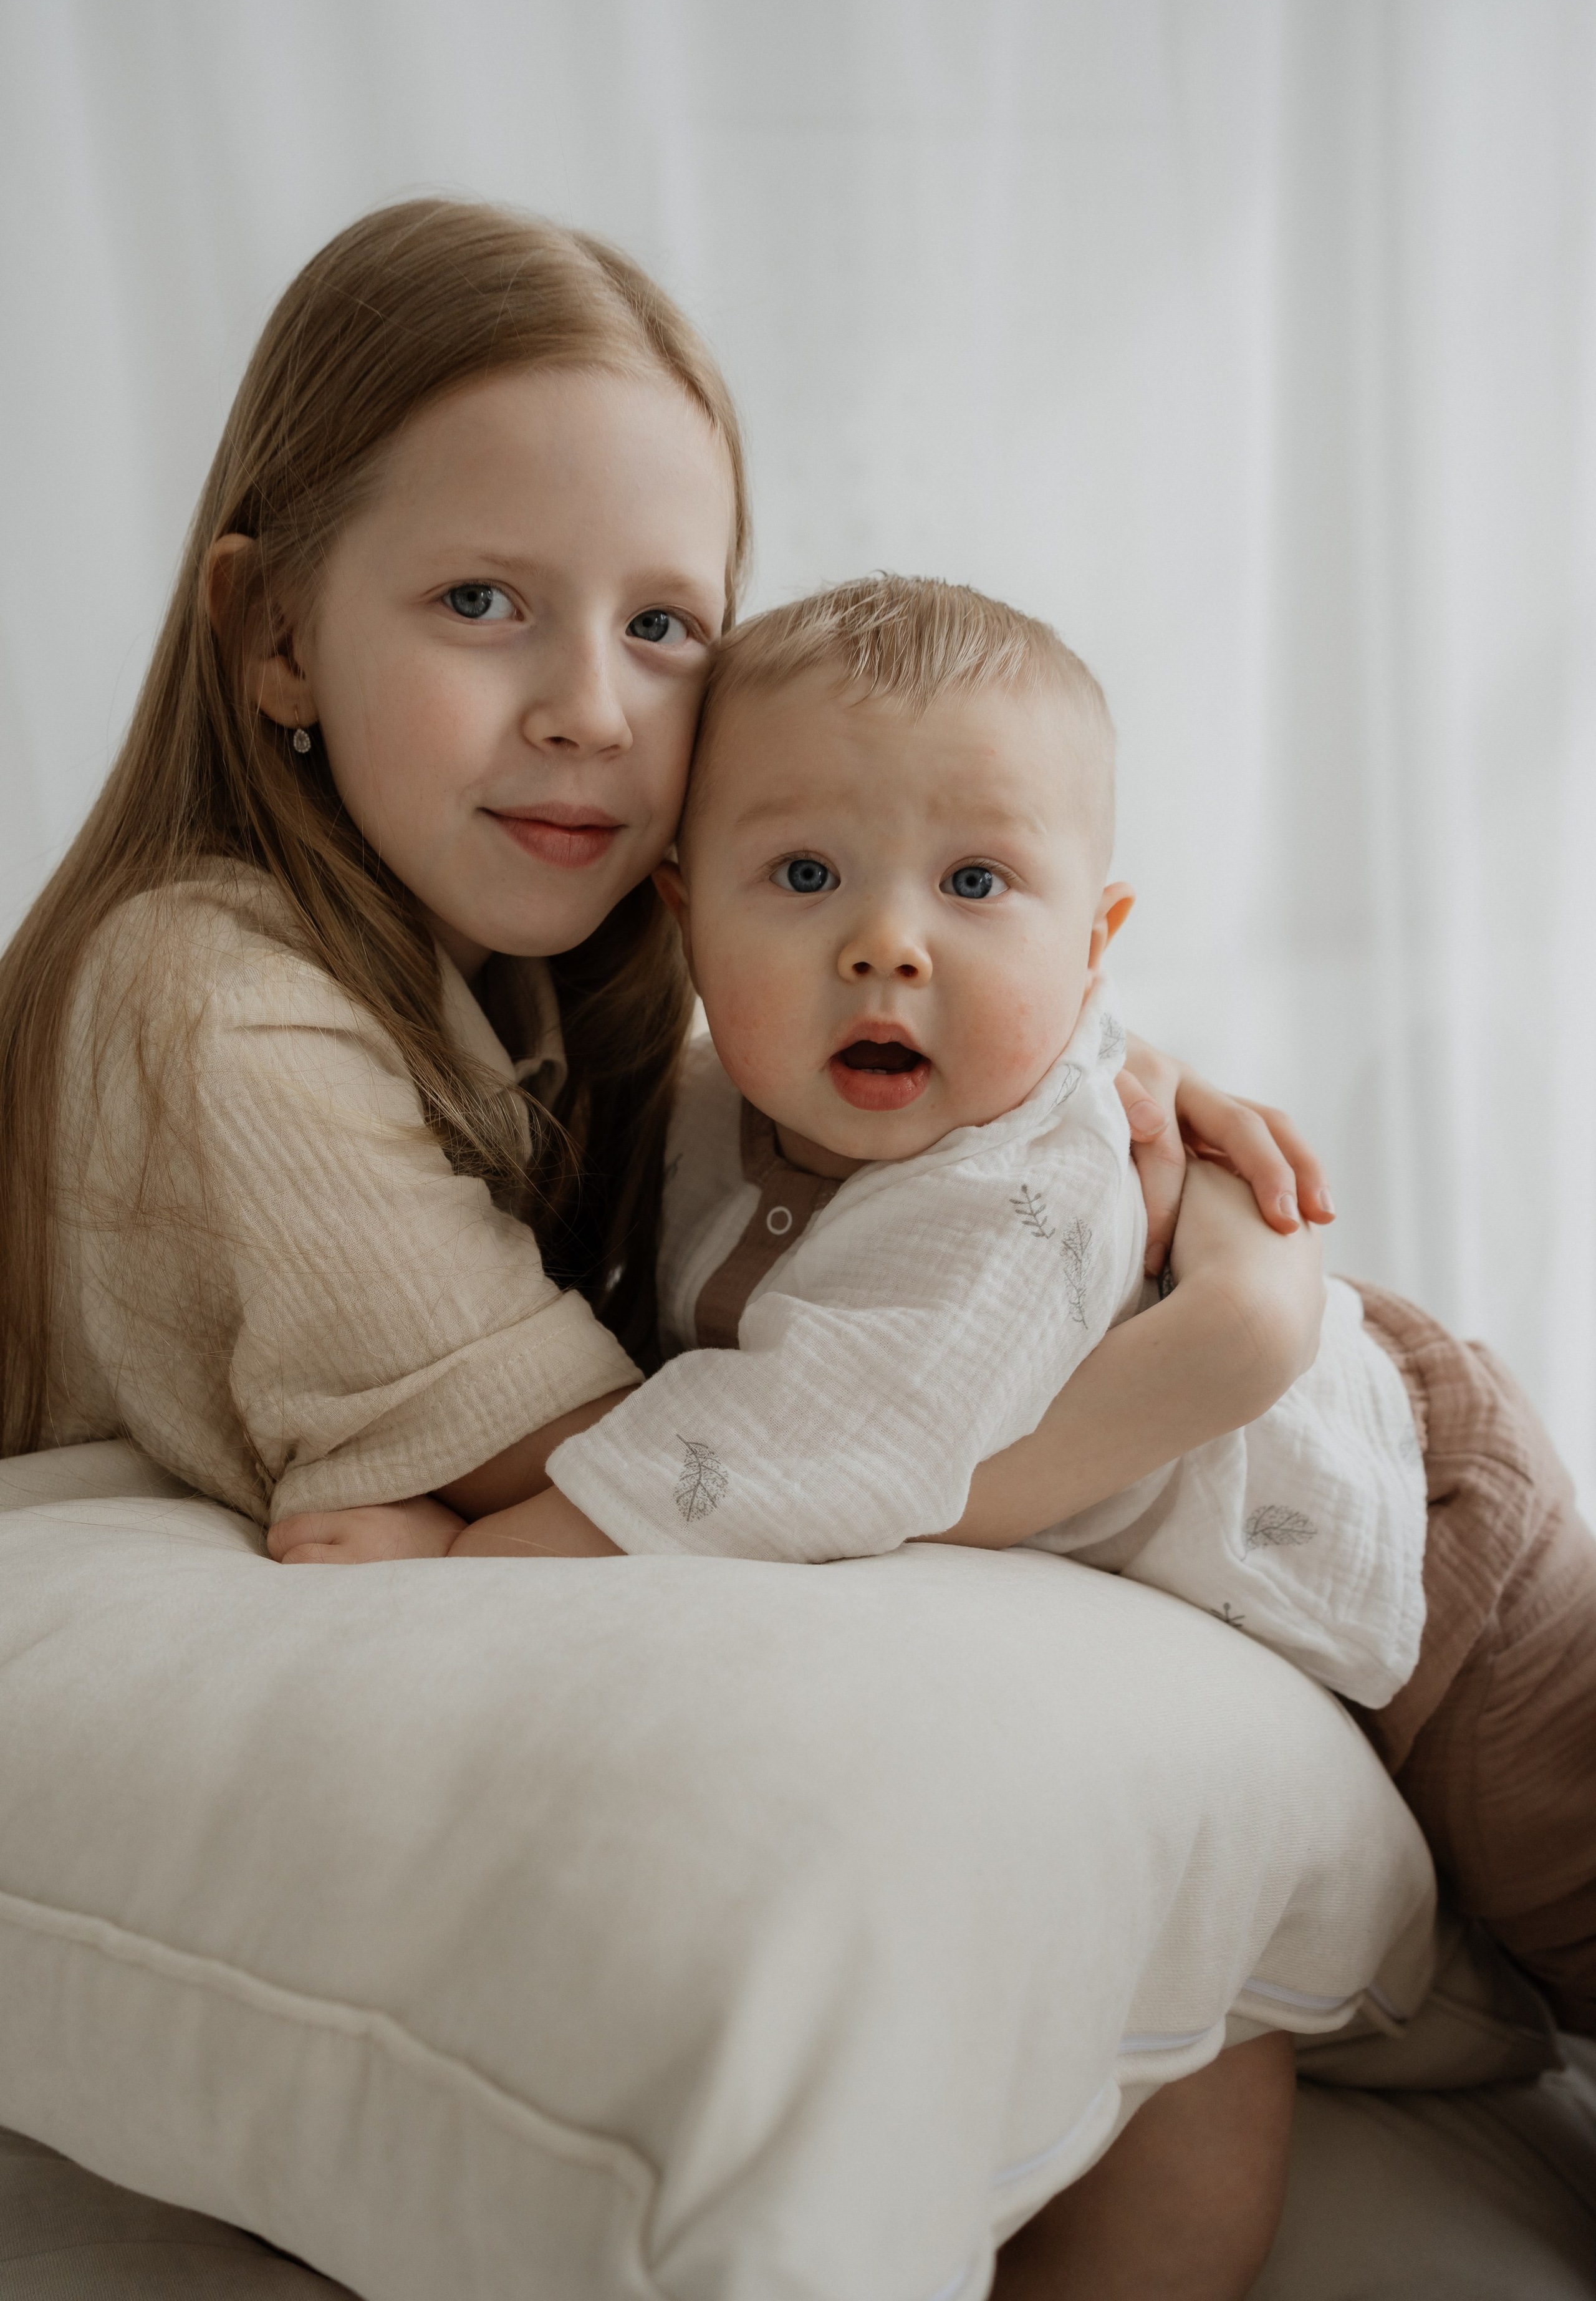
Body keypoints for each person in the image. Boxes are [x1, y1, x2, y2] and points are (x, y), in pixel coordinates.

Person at [0, 200, 1347, 2299]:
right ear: (270, 638)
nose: (593, 713)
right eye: (482, 605)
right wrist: (1223, 1334)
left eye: (665, 629)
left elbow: (892, 1066)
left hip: (1385, 1450)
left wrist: (1117, 1088)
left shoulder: (560, 961)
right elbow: (629, 1465)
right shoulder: (205, 988)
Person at [364, 571, 1591, 2065]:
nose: (887, 944)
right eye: (805, 876)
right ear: (688, 915)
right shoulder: (703, 1104)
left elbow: (788, 1458)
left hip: (1433, 1534)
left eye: (974, 884)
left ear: (1091, 950)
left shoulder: (1012, 1189)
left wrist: (459, 1558)